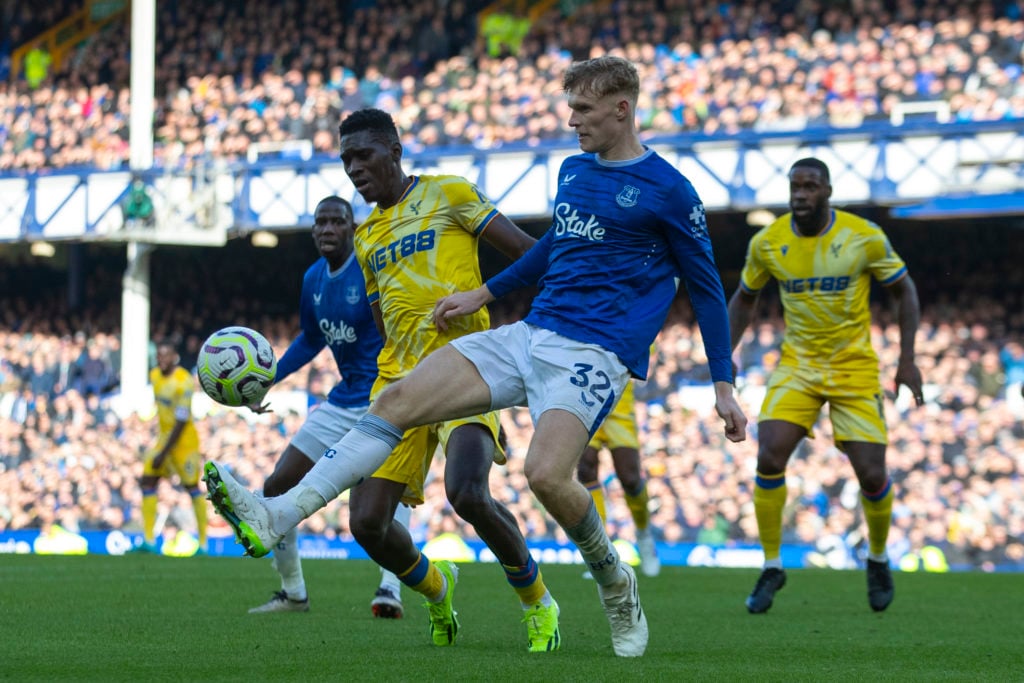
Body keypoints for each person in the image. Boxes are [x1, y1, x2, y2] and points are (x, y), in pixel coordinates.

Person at [204, 57, 747, 658]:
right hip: (531, 331)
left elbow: (705, 286)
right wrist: (484, 294)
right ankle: (276, 516)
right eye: (570, 109)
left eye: (583, 110)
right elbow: (550, 255)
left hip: (595, 351)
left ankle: (616, 583)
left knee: (544, 475)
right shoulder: (573, 172)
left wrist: (723, 382)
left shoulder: (670, 189)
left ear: (622, 109)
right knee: (396, 399)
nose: (572, 121)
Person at [208, 108, 561, 652]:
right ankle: (438, 589)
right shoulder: (368, 237)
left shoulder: (451, 194)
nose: (353, 167)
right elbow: (383, 325)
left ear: (395, 151)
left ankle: (538, 601)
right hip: (399, 384)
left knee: (467, 493)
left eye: (363, 154)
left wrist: (487, 299)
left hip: (468, 367)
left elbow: (532, 254)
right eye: (346, 158)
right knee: (368, 524)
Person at [727, 157, 924, 614]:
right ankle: (773, 565)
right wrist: (723, 361)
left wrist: (907, 359)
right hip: (798, 365)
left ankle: (877, 559)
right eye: (795, 186)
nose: (800, 194)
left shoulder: (863, 236)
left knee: (872, 474)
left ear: (828, 191)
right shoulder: (769, 242)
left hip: (854, 367)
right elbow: (744, 299)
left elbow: (904, 290)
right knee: (768, 453)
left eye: (810, 186)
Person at [245, 195, 410, 618]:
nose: (328, 229)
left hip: (383, 398)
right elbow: (311, 338)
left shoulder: (371, 265)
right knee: (277, 484)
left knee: (385, 497)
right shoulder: (313, 278)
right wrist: (269, 377)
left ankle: (391, 587)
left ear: (353, 228)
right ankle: (293, 592)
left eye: (337, 221)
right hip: (342, 400)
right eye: (321, 222)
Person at [577, 380, 661, 577]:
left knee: (630, 478)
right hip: (585, 397)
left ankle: (644, 533)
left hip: (618, 398)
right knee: (586, 469)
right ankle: (601, 552)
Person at [133, 341, 207, 554]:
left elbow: (182, 421)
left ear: (175, 356)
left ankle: (203, 544)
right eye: (158, 356)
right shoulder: (155, 376)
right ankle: (148, 540)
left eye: (165, 356)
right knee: (147, 480)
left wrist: (163, 453)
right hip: (163, 440)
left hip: (184, 444)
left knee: (191, 487)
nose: (161, 360)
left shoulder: (183, 382)